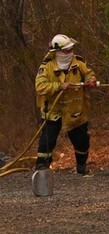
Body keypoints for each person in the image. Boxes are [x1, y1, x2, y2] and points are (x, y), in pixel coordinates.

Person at [34, 34, 98, 175]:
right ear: (56, 52)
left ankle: (81, 168)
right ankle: (41, 170)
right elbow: (40, 86)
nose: (70, 53)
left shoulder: (79, 62)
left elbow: (89, 74)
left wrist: (91, 81)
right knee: (47, 141)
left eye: (71, 50)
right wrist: (58, 86)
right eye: (66, 51)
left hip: (75, 111)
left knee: (82, 140)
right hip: (53, 112)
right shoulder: (46, 67)